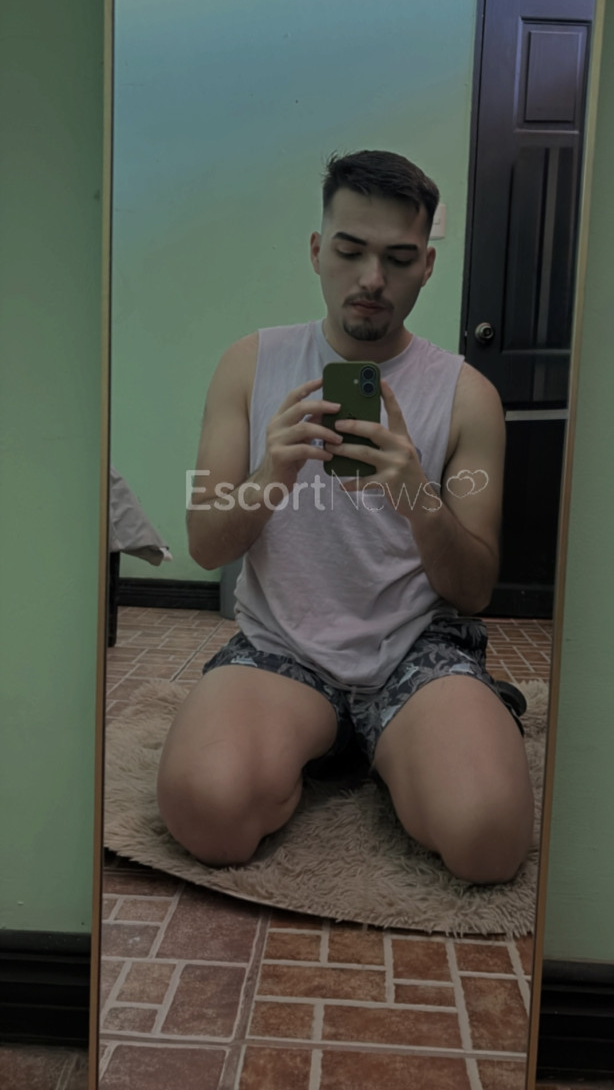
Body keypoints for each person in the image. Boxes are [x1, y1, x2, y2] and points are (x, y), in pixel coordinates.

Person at [157, 150, 534, 884]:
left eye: (398, 258)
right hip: (283, 648)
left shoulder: (468, 397)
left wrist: (415, 493)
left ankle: (407, 742)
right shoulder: (248, 366)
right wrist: (272, 476)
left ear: (427, 265)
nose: (371, 279)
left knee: (487, 841)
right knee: (207, 811)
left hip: (416, 650)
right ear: (316, 250)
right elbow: (204, 543)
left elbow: (474, 588)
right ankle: (335, 745)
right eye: (350, 250)